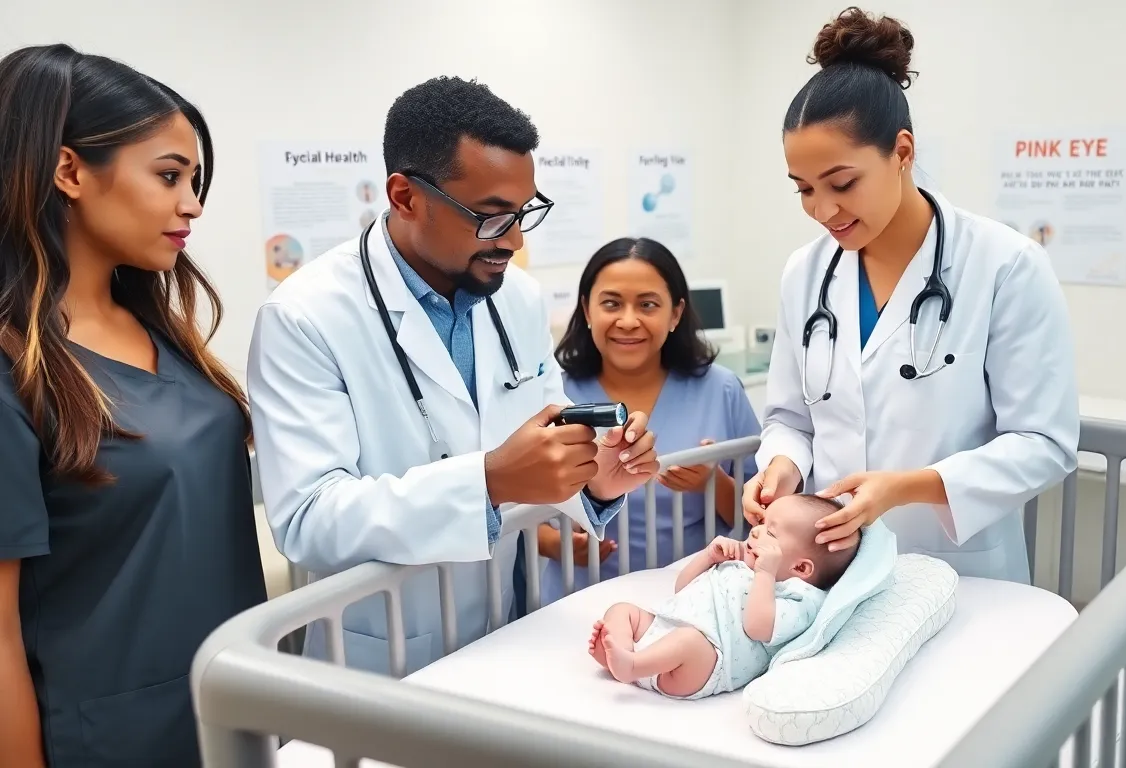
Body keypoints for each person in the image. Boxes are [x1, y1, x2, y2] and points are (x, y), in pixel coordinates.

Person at [246, 75, 658, 676]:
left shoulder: (517, 297)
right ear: (406, 196)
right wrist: (487, 482)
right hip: (383, 654)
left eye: (523, 212)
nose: (513, 240)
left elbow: (548, 434)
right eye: (491, 217)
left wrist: (596, 475)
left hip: (507, 628)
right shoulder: (304, 317)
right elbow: (308, 518)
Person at [744, 8, 1079, 584]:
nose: (822, 210)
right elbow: (791, 419)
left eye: (842, 183)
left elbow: (1044, 443)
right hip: (832, 573)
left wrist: (907, 487)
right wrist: (782, 464)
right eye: (804, 189)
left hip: (960, 572)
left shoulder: (1005, 265)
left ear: (902, 152)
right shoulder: (806, 274)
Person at [0, 45, 265, 766]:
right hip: (111, 739)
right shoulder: (17, 368)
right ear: (69, 171)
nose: (193, 204)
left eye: (194, 181)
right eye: (169, 176)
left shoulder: (163, 335)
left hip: (232, 711)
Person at [538, 238, 761, 604]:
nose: (628, 321)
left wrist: (713, 483)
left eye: (647, 305)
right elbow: (512, 509)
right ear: (587, 309)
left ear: (675, 313)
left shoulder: (721, 389)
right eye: (611, 303)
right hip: (581, 605)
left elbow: (764, 515)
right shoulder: (553, 397)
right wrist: (555, 544)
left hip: (695, 602)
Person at [592, 494, 851, 699]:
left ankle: (634, 666)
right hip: (665, 630)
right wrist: (708, 557)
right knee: (622, 610)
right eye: (761, 523)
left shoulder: (800, 598)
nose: (755, 531)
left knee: (689, 640)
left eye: (771, 533)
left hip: (705, 664)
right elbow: (681, 589)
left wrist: (765, 574)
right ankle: (622, 654)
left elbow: (757, 627)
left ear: (801, 568)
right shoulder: (740, 563)